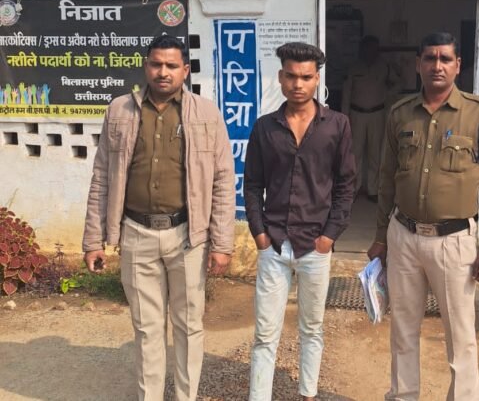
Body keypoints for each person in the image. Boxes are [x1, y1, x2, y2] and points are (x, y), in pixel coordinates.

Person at [82, 35, 235, 401]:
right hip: (136, 233)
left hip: (188, 236)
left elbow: (222, 180)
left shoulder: (206, 113)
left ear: (185, 70)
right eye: (156, 64)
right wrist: (93, 239)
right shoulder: (120, 110)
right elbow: (102, 175)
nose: (163, 72)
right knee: (147, 329)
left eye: (171, 65)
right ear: (145, 66)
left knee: (188, 326)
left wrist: (222, 243)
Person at [367, 32, 479, 401]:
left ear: (458, 65)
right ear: (418, 64)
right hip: (404, 237)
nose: (437, 65)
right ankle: (403, 395)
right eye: (430, 58)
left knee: (460, 337)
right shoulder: (400, 113)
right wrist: (381, 236)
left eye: (445, 58)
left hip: (454, 242)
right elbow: (386, 179)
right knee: (403, 331)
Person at [244, 42, 356, 401]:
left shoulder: (336, 125)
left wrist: (329, 236)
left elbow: (346, 185)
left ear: (317, 79)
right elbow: (252, 184)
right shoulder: (265, 128)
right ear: (280, 77)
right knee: (265, 333)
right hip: (274, 244)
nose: (298, 84)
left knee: (312, 328)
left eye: (306, 77)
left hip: (315, 246)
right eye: (291, 76)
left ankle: (307, 394)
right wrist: (260, 234)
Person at [341, 35, 400, 202]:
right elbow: (346, 93)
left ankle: (373, 190)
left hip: (377, 114)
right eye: (368, 48)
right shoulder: (353, 68)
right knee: (355, 153)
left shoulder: (384, 67)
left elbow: (398, 83)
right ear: (362, 49)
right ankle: (354, 189)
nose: (371, 52)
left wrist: (386, 95)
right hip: (356, 114)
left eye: (374, 49)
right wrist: (345, 117)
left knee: (376, 153)